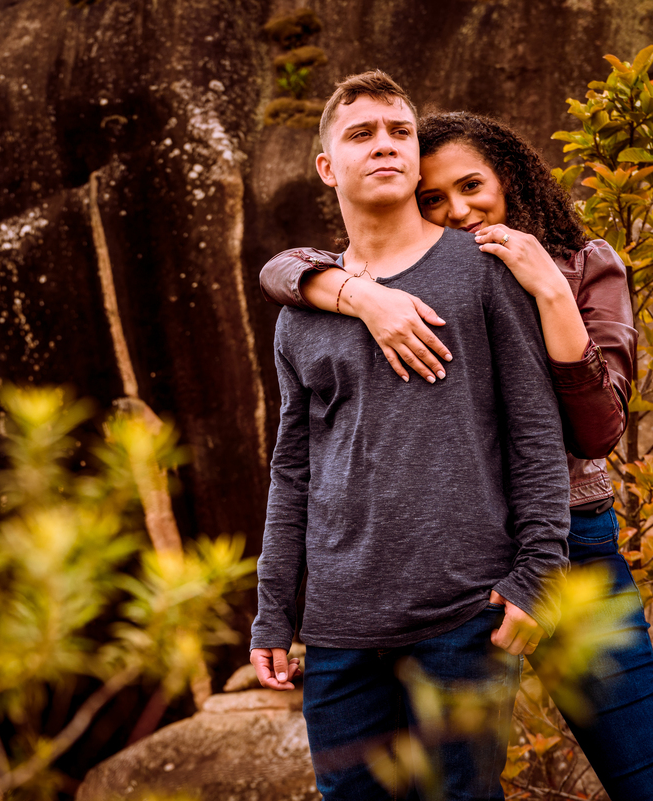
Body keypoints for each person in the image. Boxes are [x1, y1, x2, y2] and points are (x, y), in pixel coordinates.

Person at [259, 110, 652, 799]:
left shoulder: (582, 264)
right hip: (455, 554)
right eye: (433, 198)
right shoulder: (398, 276)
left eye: (472, 186)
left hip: (567, 535)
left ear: (511, 179)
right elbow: (283, 270)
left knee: (637, 759)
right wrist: (356, 295)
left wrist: (550, 289)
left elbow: (597, 431)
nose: (458, 209)